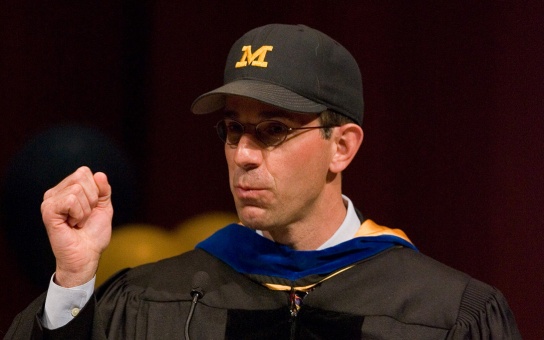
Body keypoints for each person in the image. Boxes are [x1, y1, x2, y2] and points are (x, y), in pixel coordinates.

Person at [6, 24, 521, 339]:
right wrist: (72, 282)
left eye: (273, 131)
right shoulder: (154, 299)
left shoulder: (446, 313)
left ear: (341, 147)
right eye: (234, 130)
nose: (244, 156)